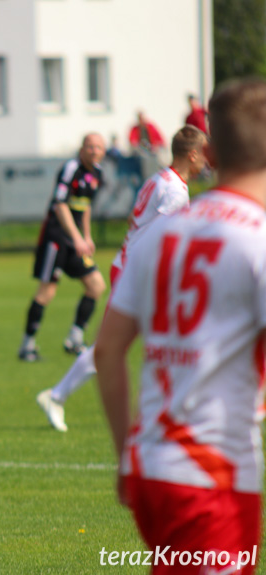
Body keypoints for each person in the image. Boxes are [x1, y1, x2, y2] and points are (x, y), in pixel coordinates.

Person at [95, 78, 266, 575]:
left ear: (209, 152)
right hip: (210, 475)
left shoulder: (164, 235)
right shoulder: (256, 238)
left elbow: (108, 351)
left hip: (151, 465)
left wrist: (126, 453)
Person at [36, 125, 208, 431]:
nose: (206, 162)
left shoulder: (160, 178)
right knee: (170, 337)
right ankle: (176, 412)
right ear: (193, 154)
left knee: (118, 344)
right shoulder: (175, 191)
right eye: (204, 154)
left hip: (129, 266)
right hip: (139, 273)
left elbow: (140, 222)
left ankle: (58, 395)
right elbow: (166, 239)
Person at [17, 134, 107, 362]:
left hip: (75, 239)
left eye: (99, 147)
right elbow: (60, 205)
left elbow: (85, 207)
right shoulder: (71, 169)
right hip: (56, 238)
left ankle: (74, 339)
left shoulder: (97, 173)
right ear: (82, 148)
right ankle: (27, 346)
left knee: (96, 285)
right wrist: (76, 238)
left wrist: (87, 236)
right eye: (90, 146)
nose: (94, 151)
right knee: (47, 291)